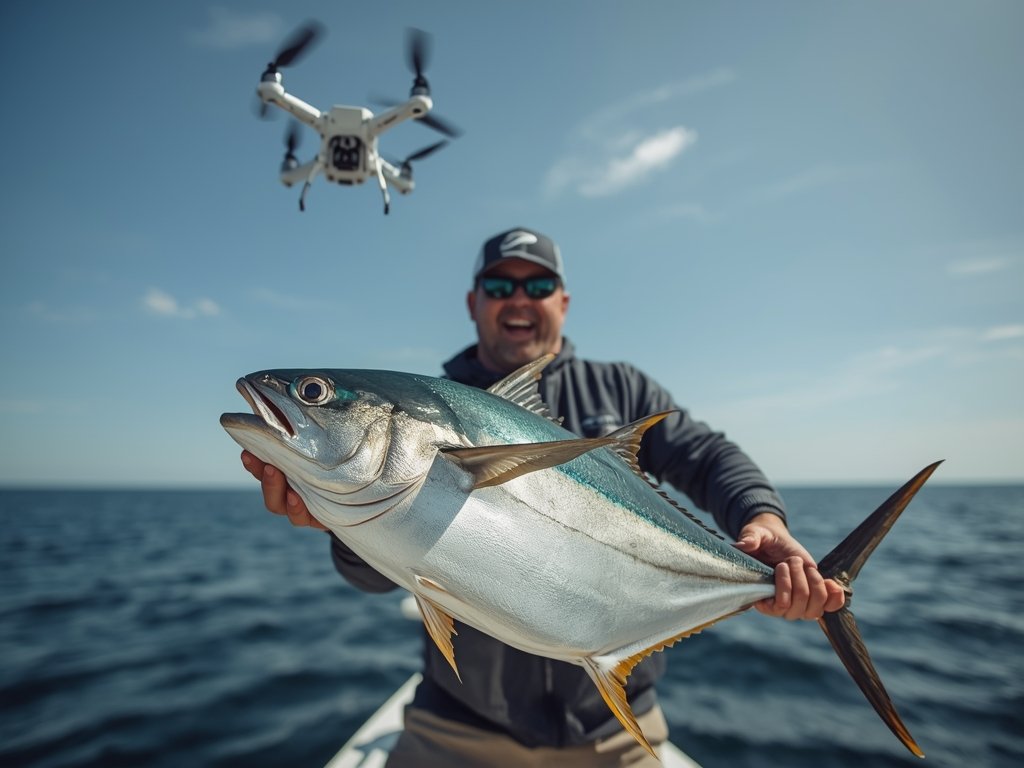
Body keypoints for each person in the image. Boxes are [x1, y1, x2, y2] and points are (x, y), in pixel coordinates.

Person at [240, 227, 845, 767]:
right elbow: (375, 575)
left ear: (563, 301)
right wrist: (338, 522)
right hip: (457, 727)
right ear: (475, 303)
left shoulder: (620, 388)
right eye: (500, 284)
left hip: (613, 730)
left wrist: (762, 520)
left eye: (539, 284)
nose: (519, 298)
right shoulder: (437, 400)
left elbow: (706, 457)